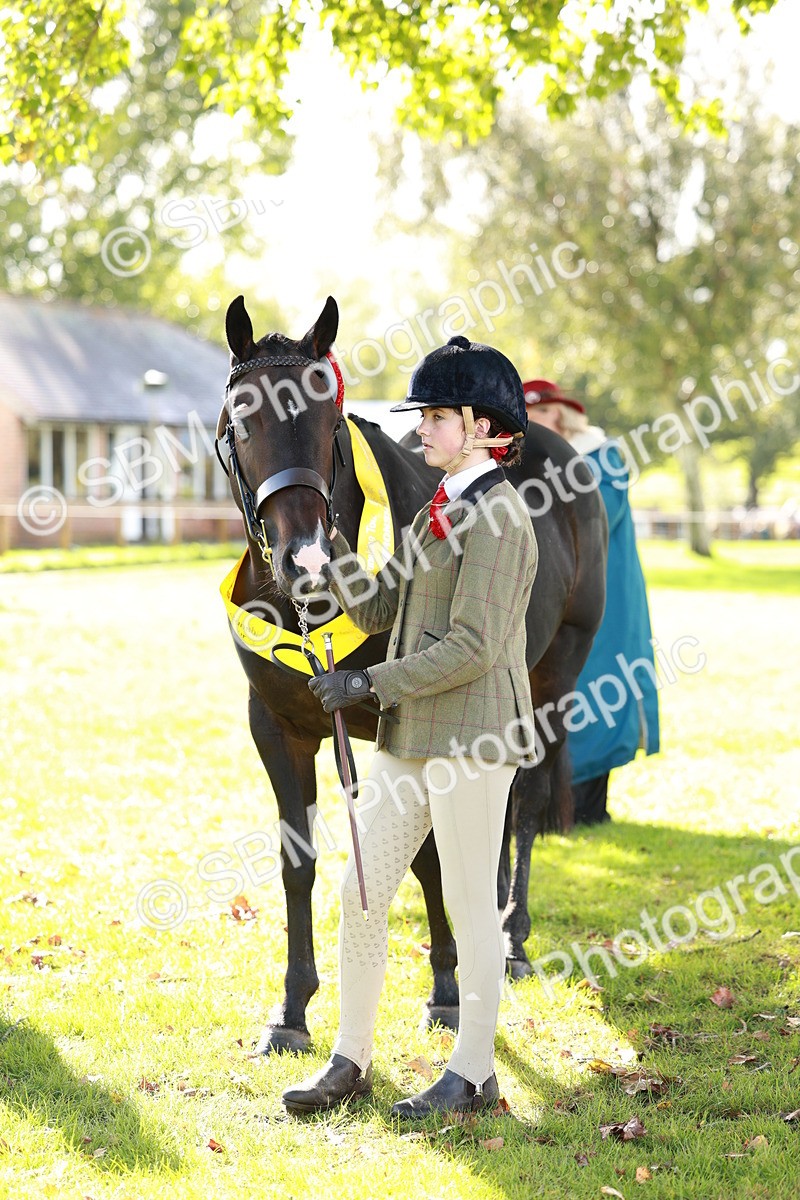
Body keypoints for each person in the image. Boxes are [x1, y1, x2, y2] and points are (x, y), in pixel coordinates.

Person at [281, 335, 536, 1119]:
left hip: (472, 741)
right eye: (422, 416)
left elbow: (471, 646)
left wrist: (366, 681)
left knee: (466, 905)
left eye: (434, 416)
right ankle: (350, 1059)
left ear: (483, 426)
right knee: (360, 891)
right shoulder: (437, 511)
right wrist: (331, 562)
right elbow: (386, 605)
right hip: (407, 740)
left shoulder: (499, 519)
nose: (420, 429)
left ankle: (475, 1074)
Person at [523, 379, 660, 825]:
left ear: (560, 417)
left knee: (599, 691)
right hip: (555, 593)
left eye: (540, 416)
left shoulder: (601, 456)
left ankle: (585, 806)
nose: (532, 426)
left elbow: (598, 514)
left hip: (602, 591)